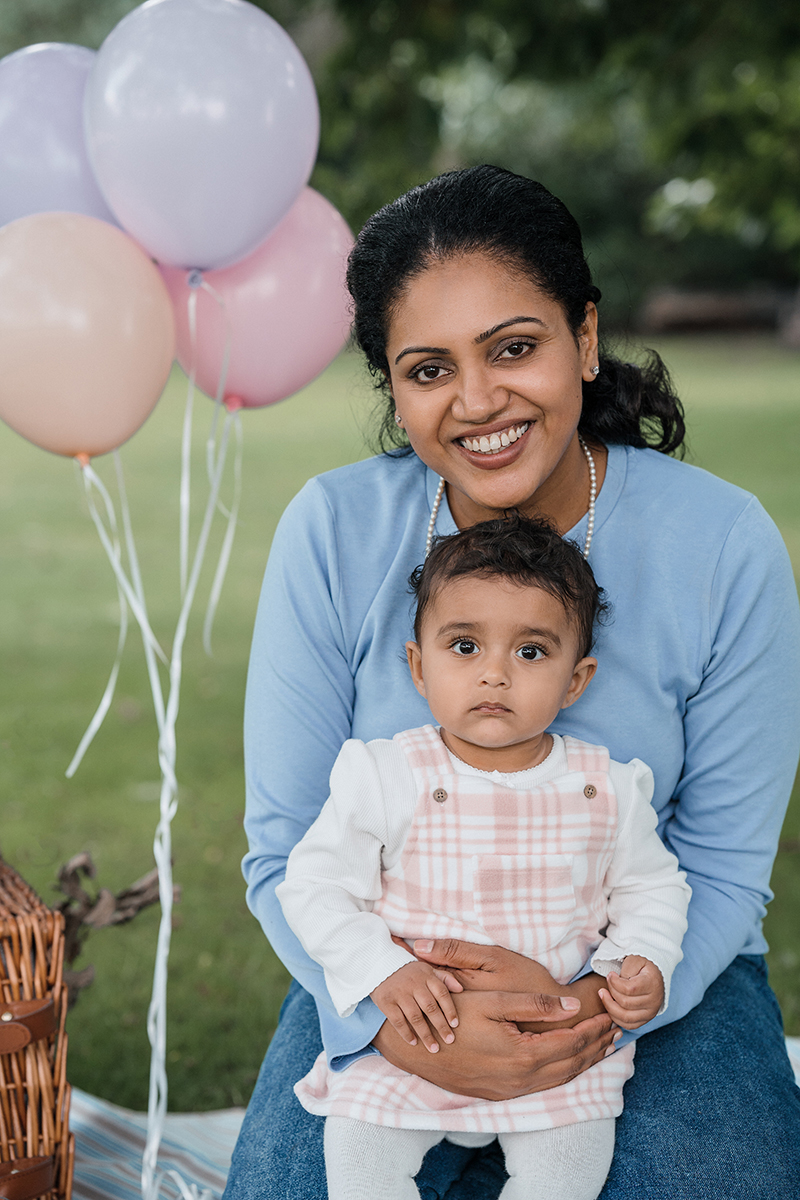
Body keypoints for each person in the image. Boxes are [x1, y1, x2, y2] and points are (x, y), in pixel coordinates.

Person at [223, 165, 800, 1200]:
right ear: (392, 391)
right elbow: (283, 850)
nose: (477, 401)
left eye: (514, 348)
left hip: (645, 980)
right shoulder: (332, 530)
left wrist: (586, 1008)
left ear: (583, 338)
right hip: (390, 982)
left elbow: (719, 866)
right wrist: (389, 1016)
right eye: (427, 369)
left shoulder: (722, 544)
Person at [276, 515, 692, 1200]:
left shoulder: (606, 786)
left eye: (531, 653)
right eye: (464, 646)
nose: (495, 673)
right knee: (357, 1162)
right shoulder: (387, 775)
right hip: (416, 1031)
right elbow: (314, 887)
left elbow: (654, 889)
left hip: (555, 1044)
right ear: (418, 665)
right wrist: (384, 971)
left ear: (576, 679)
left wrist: (640, 961)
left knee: (568, 1170)